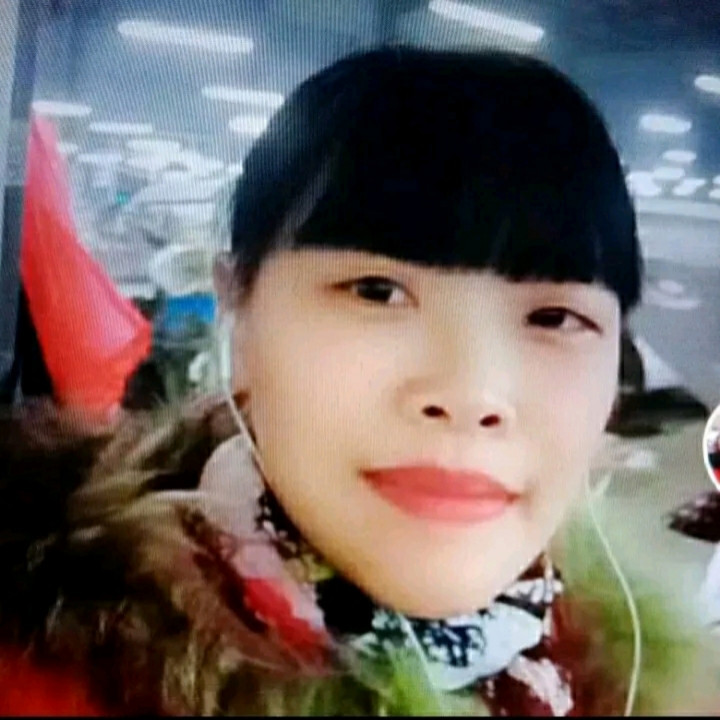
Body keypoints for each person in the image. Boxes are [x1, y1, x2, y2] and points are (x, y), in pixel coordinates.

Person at [0, 46, 709, 716]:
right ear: (238, 312)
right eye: (377, 292)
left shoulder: (608, 670)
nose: (471, 395)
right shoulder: (48, 674)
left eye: (553, 317)